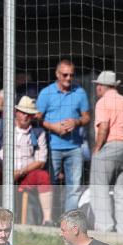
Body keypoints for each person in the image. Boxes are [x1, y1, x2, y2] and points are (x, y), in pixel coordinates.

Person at [0, 96, 53, 225]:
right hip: (0, 169)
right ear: (16, 112)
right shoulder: (1, 125)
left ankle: (48, 219)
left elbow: (41, 161)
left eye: (29, 114)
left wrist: (20, 172)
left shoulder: (38, 133)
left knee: (43, 176)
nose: (25, 117)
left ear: (33, 116)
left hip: (25, 174)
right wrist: (2, 169)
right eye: (23, 112)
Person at [37, 59, 91, 213]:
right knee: (51, 185)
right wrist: (52, 127)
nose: (68, 78)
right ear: (57, 74)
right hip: (53, 147)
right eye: (65, 75)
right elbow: (37, 118)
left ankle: (69, 221)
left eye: (71, 75)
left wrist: (77, 122)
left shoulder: (80, 92)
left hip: (75, 147)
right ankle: (50, 217)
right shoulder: (46, 93)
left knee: (74, 187)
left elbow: (87, 117)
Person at [90, 70, 123, 234]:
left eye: (97, 85)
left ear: (101, 87)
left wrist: (97, 148)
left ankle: (105, 228)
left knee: (100, 187)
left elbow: (104, 127)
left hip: (111, 146)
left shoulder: (103, 102)